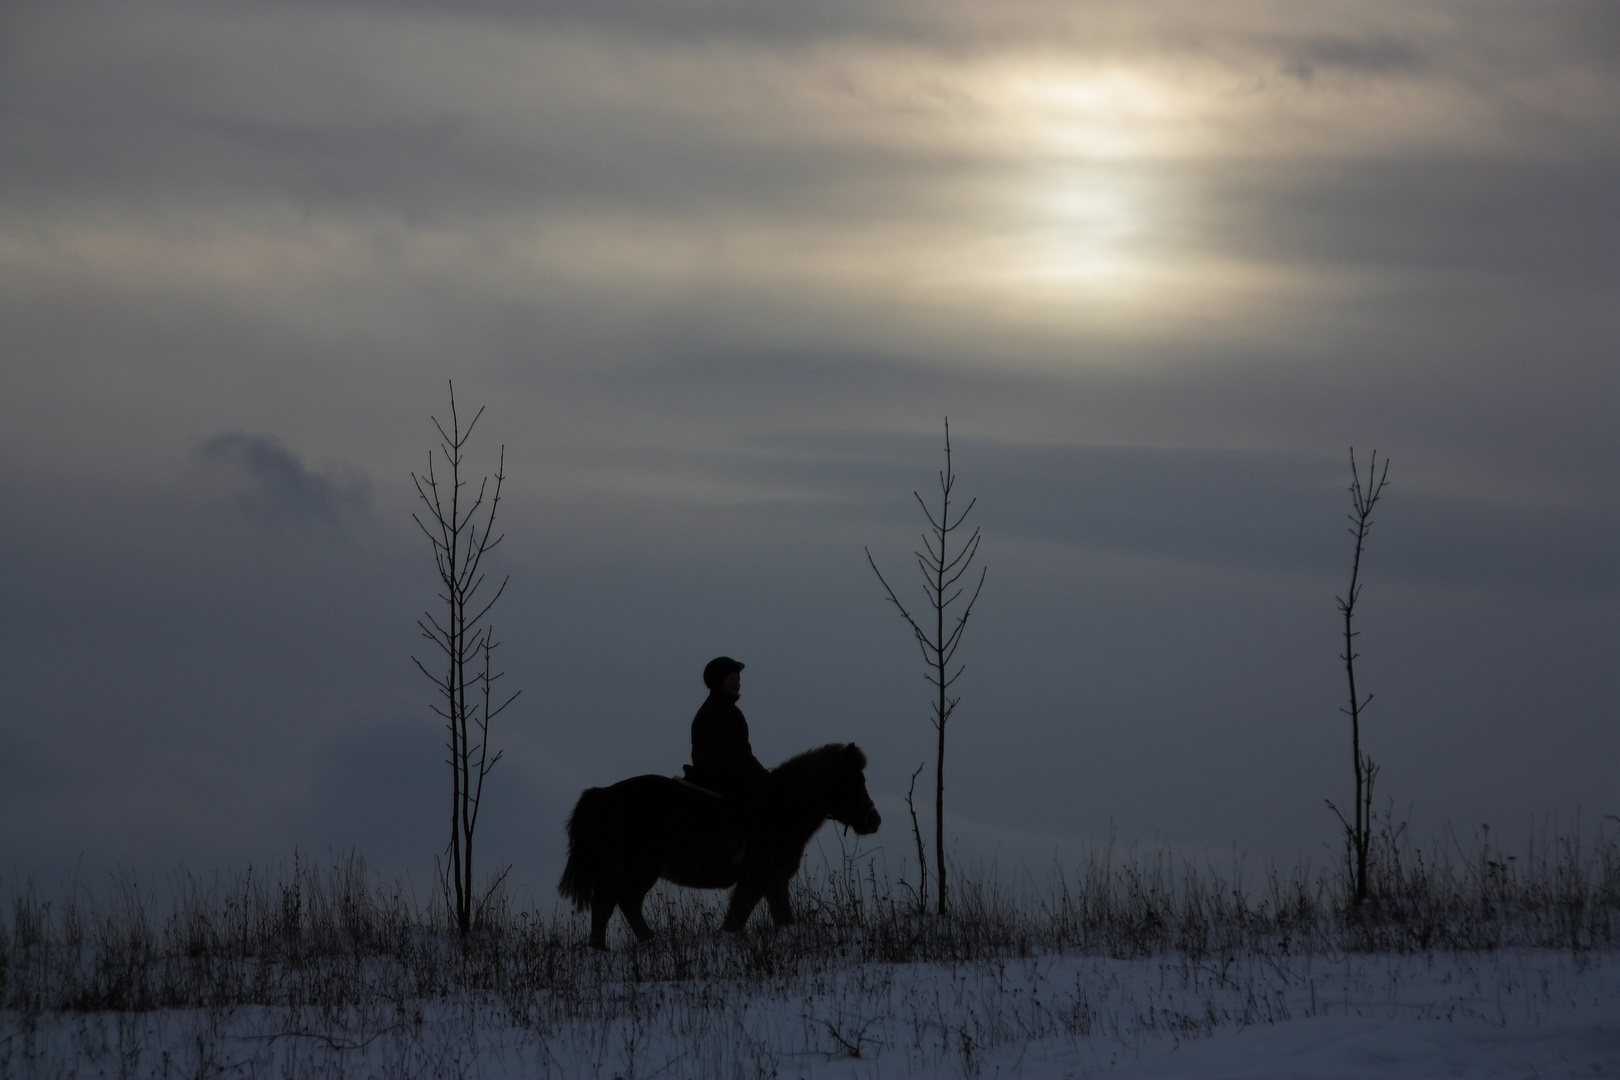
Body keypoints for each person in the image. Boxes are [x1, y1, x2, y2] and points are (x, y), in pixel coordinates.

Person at [686, 656, 773, 843]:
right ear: (719, 682)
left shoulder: (722, 708)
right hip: (719, 773)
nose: (737, 683)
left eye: (738, 679)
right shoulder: (720, 710)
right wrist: (764, 777)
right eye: (731, 679)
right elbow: (739, 752)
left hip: (721, 770)